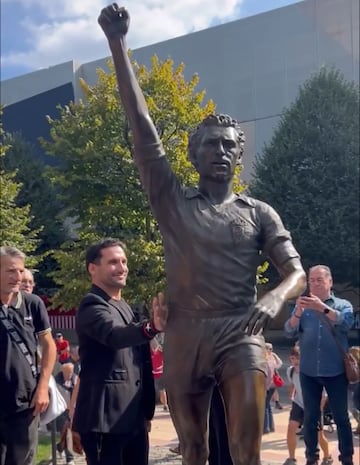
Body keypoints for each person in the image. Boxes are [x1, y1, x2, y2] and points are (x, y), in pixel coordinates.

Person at [98, 5, 306, 465]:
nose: (221, 150)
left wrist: (275, 298)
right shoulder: (173, 203)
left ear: (239, 157)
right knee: (193, 448)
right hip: (185, 332)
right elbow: (143, 130)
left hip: (241, 330)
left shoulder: (259, 213)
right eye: (211, 143)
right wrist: (118, 44)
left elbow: (297, 273)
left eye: (230, 145)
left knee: (245, 449)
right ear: (194, 154)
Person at [72, 238, 167, 465]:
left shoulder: (124, 306)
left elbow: (139, 363)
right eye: (113, 262)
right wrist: (151, 327)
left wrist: (145, 412)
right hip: (104, 421)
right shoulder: (91, 305)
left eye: (124, 261)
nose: (122, 267)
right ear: (92, 268)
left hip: (133, 419)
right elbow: (115, 336)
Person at [284, 265, 354, 465]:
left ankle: (347, 458)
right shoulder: (302, 307)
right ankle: (311, 458)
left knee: (341, 418)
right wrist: (298, 312)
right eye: (311, 280)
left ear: (329, 282)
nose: (314, 284)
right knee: (311, 418)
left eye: (319, 280)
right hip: (309, 372)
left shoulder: (342, 304)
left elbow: (346, 322)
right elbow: (289, 331)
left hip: (336, 371)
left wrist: (322, 308)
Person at [0, 245, 57, 465]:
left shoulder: (32, 304)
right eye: (10, 271)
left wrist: (42, 387)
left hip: (25, 402)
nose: (17, 277)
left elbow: (49, 345)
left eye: (21, 271)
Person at [283, 346, 333, 465]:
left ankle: (327, 456)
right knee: (291, 428)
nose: (295, 362)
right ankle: (291, 458)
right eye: (292, 359)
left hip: (313, 405)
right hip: (298, 403)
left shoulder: (313, 372)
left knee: (319, 435)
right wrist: (291, 398)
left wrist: (319, 408)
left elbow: (324, 394)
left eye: (297, 359)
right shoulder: (290, 371)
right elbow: (292, 385)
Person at [55, 362, 77, 465]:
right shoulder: (56, 381)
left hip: (73, 411)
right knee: (67, 434)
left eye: (71, 372)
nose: (69, 374)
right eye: (67, 372)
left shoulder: (75, 379)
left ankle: (59, 447)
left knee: (70, 434)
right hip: (61, 411)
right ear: (62, 371)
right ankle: (70, 459)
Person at [264, 342, 282, 434]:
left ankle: (266, 427)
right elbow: (280, 363)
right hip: (273, 386)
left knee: (265, 406)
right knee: (268, 406)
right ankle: (271, 426)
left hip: (267, 386)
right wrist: (274, 355)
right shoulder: (273, 360)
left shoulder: (265, 361)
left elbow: (266, 375)